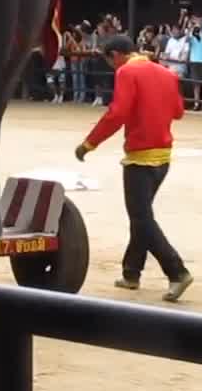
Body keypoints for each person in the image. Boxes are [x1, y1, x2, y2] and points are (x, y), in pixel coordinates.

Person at [75, 35, 194, 303]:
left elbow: (117, 114)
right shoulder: (165, 72)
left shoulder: (127, 71)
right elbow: (178, 111)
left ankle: (177, 271)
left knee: (141, 218)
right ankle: (131, 272)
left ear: (115, 55)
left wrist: (89, 143)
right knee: (142, 215)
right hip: (163, 156)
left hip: (140, 156)